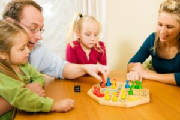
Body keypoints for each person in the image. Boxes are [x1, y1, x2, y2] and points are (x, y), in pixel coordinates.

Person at [0, 0, 109, 117]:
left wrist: (86, 68)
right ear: (10, 23)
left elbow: (61, 68)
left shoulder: (36, 49)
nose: (39, 37)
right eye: (32, 28)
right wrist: (25, 93)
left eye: (40, 29)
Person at [0, 20, 74, 120]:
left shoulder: (23, 65)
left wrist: (36, 86)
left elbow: (38, 77)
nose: (28, 51)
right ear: (3, 54)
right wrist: (53, 106)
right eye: (22, 49)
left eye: (26, 46)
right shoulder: (2, 77)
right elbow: (22, 98)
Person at [127, 0, 180, 86]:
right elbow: (132, 63)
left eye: (169, 27)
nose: (162, 31)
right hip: (159, 88)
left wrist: (148, 74)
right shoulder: (152, 39)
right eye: (160, 24)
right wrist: (135, 70)